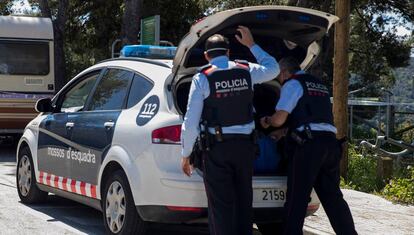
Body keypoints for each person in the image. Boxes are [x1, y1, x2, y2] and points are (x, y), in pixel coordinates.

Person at [180, 26, 279, 235]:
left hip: (217, 150)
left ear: (207, 56)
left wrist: (186, 154)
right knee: (244, 202)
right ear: (228, 52)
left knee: (221, 206)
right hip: (245, 149)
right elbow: (274, 69)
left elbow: (190, 121)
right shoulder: (246, 70)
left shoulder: (202, 78)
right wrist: (251, 45)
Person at [260, 57, 357, 235]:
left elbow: (279, 118)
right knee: (333, 198)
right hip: (330, 144)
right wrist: (284, 133)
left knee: (297, 198)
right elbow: (311, 117)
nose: (280, 81)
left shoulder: (293, 84)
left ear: (284, 72)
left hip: (309, 148)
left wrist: (267, 121)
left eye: (279, 77)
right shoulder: (318, 84)